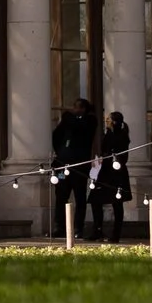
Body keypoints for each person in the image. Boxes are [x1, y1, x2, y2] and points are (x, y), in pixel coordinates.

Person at [50, 98, 95, 239]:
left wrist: (69, 117)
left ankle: (78, 228)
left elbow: (80, 127)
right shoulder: (66, 123)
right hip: (63, 167)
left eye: (79, 108)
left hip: (79, 167)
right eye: (75, 107)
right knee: (61, 196)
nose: (76, 110)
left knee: (80, 197)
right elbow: (56, 136)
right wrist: (61, 152)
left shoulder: (90, 121)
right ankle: (60, 226)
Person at [88, 110, 133, 242]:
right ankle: (97, 230)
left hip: (116, 173)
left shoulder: (122, 135)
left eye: (108, 119)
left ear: (114, 122)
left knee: (117, 203)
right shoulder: (108, 134)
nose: (106, 121)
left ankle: (116, 234)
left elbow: (121, 155)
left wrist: (109, 157)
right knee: (95, 200)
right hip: (105, 172)